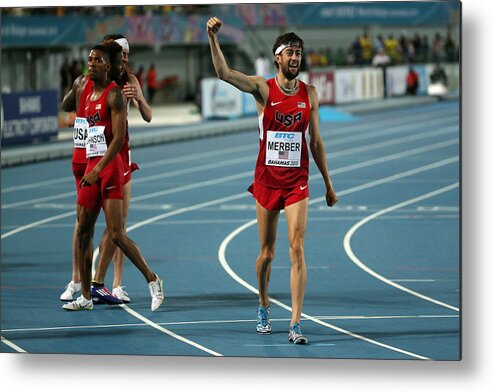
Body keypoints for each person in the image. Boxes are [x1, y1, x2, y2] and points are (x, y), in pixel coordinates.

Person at [207, 17, 338, 344]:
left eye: (299, 53)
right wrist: (212, 38)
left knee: (297, 248)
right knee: (267, 253)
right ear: (277, 58)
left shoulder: (311, 94)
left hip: (297, 182)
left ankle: (295, 323)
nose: (296, 58)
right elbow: (224, 74)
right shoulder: (263, 88)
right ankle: (264, 303)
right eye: (290, 52)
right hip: (266, 180)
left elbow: (316, 142)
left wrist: (329, 184)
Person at [62, 44, 163, 311]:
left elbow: (118, 140)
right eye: (89, 60)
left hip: (110, 168)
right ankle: (85, 295)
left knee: (117, 234)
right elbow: (65, 106)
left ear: (108, 66)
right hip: (89, 167)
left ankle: (153, 280)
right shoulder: (83, 89)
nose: (91, 64)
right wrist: (75, 86)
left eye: (97, 61)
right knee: (83, 232)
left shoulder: (115, 95)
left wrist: (97, 170)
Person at [90, 34, 153, 304]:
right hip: (95, 154)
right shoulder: (96, 81)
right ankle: (83, 281)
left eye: (128, 54)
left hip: (121, 155)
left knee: (119, 226)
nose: (125, 59)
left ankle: (114, 284)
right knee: (91, 225)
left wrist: (138, 97)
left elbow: (148, 116)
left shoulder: (130, 80)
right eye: (121, 55)